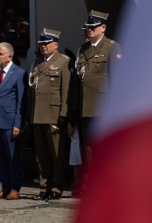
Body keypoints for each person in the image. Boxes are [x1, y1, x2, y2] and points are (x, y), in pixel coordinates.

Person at [29, 29, 73, 200]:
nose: (43, 47)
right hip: (37, 115)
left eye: (47, 44)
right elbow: (32, 92)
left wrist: (64, 115)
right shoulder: (37, 64)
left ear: (56, 45)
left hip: (53, 114)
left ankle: (57, 186)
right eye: (41, 44)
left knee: (56, 154)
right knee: (41, 155)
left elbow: (66, 91)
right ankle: (44, 186)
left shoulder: (63, 62)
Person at [75, 10, 122, 166]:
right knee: (87, 149)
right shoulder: (83, 49)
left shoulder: (112, 47)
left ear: (103, 28)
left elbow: (116, 79)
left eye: (93, 27)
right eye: (88, 27)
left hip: (102, 106)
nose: (90, 30)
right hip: (85, 107)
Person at [0, 42, 26, 200]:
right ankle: (5, 186)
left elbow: (21, 101)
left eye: (0, 54)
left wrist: (18, 123)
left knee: (12, 157)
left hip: (10, 123)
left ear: (10, 56)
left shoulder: (19, 73)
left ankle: (15, 188)